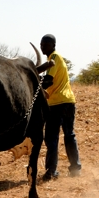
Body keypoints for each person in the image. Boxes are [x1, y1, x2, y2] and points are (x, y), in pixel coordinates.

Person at [39, 33, 81, 180]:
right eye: (41, 44)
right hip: (69, 101)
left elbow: (48, 81)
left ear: (53, 45)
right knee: (69, 135)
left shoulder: (54, 58)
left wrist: (35, 82)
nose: (42, 47)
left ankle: (51, 172)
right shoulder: (57, 58)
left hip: (57, 103)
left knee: (51, 138)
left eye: (45, 44)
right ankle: (75, 168)